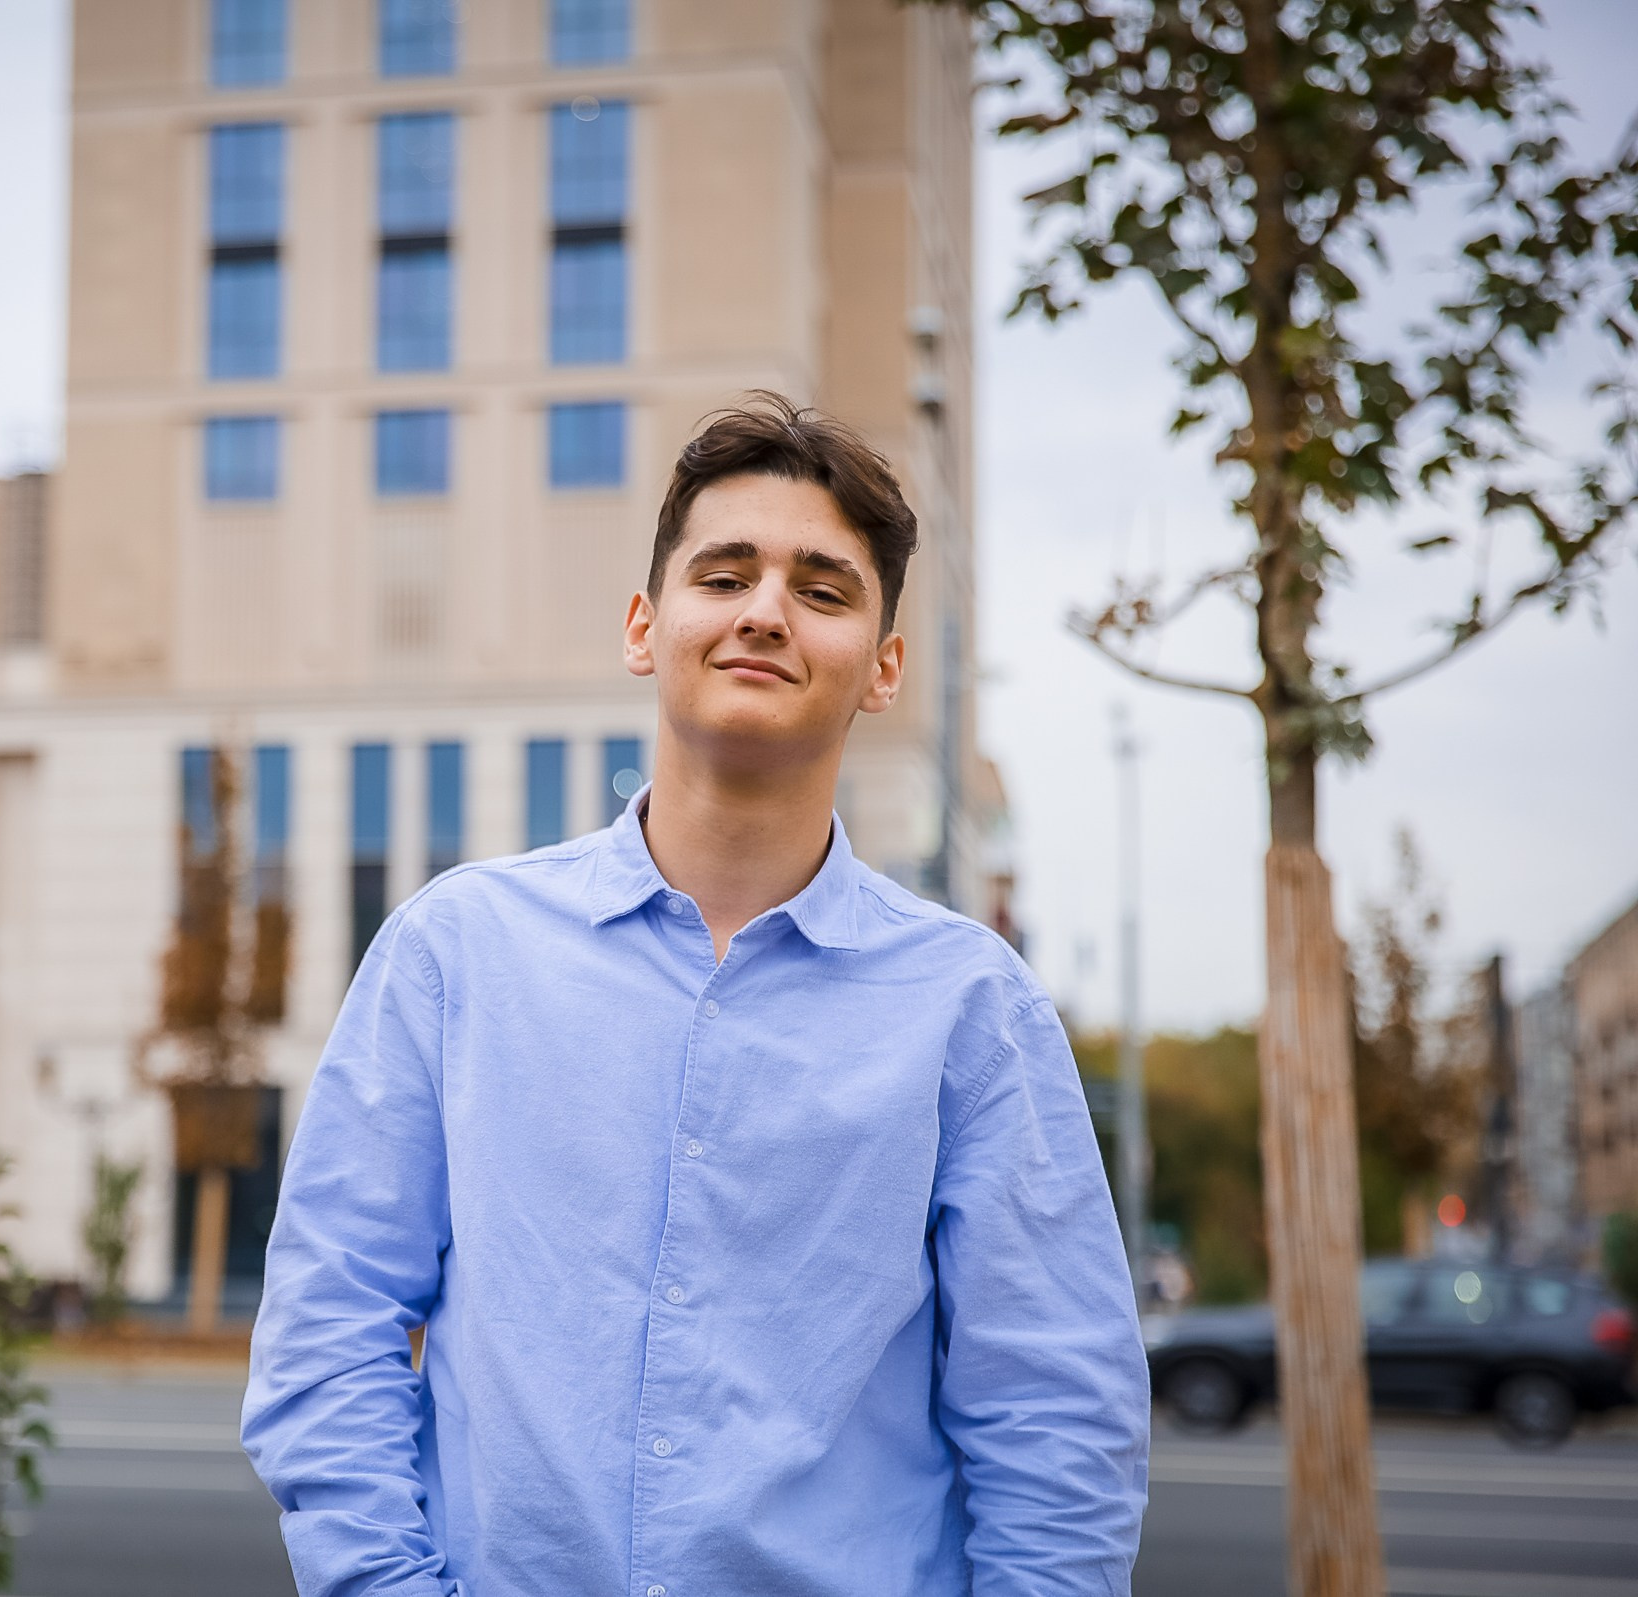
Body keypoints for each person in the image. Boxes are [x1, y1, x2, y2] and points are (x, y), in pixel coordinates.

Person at [242, 393, 1149, 1596]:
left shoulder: (973, 1009)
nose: (766, 610)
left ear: (883, 669)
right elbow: (329, 1328)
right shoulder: (455, 955)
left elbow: (1056, 1425)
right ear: (643, 625)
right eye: (725, 575)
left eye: (822, 589)